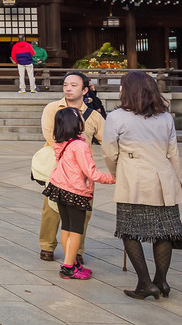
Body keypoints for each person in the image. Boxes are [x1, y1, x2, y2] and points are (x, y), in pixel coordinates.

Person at [104, 71, 182, 300]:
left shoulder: (117, 117)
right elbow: (174, 153)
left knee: (129, 230)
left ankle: (144, 282)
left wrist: (116, 172)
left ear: (128, 90)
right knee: (164, 233)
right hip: (163, 178)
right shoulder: (165, 117)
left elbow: (109, 151)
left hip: (133, 176)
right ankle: (162, 280)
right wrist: (178, 183)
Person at [39, 71, 106, 265]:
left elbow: (107, 140)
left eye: (74, 85)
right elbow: (50, 136)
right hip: (58, 167)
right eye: (65, 84)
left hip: (83, 172)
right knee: (51, 209)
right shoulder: (53, 108)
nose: (68, 88)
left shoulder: (93, 116)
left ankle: (76, 250)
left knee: (82, 213)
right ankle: (47, 245)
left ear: (85, 90)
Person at [42, 107, 115, 282]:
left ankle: (71, 262)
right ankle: (68, 268)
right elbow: (92, 173)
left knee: (66, 227)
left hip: (59, 188)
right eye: (81, 117)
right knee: (76, 231)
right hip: (75, 191)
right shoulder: (79, 145)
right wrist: (113, 178)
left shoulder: (61, 142)